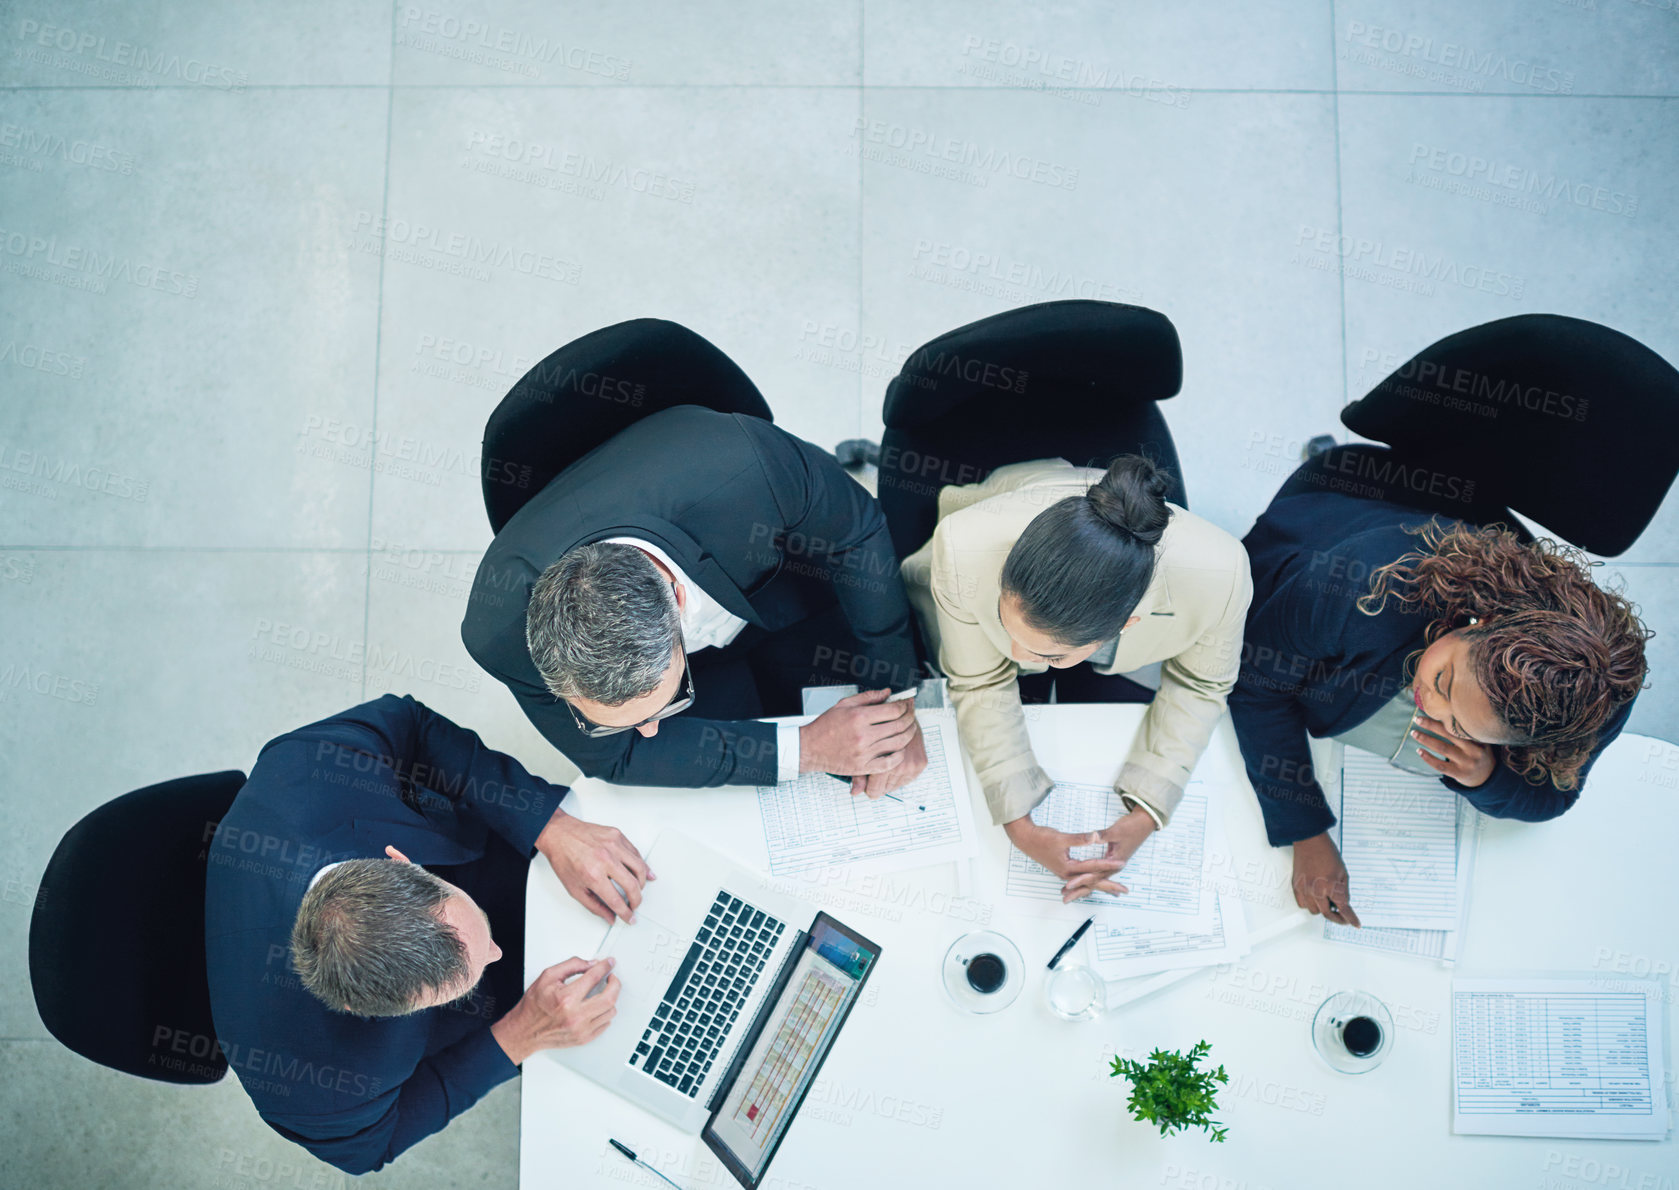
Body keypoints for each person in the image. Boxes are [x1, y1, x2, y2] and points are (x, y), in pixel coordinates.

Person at [204, 694, 649, 1174]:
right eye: (460, 977)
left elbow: (413, 727)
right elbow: (375, 1146)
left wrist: (548, 824)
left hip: (477, 859)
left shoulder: (309, 766)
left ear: (399, 859)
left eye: (481, 942)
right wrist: (519, 1036)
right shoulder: (312, 1087)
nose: (497, 953)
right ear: (359, 1009)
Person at [1230, 491, 1651, 927]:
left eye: (1461, 726)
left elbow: (1554, 795)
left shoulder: (1596, 694)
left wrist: (1486, 777)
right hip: (1315, 550)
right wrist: (1305, 829)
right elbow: (1255, 683)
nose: (1429, 706)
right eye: (1444, 681)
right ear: (1485, 621)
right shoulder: (1370, 585)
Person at [463, 404, 926, 796]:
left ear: (677, 597)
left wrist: (897, 696)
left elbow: (858, 533)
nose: (648, 733)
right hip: (708, 664)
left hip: (782, 583)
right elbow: (620, 758)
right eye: (605, 721)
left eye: (663, 705)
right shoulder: (499, 636)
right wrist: (807, 748)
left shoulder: (749, 471)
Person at [902, 455, 1252, 902]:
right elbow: (980, 680)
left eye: (1047, 653)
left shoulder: (1223, 576)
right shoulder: (964, 547)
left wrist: (1148, 809)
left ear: (1125, 625)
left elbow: (1201, 684)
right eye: (1008, 628)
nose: (1013, 655)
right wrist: (1019, 825)